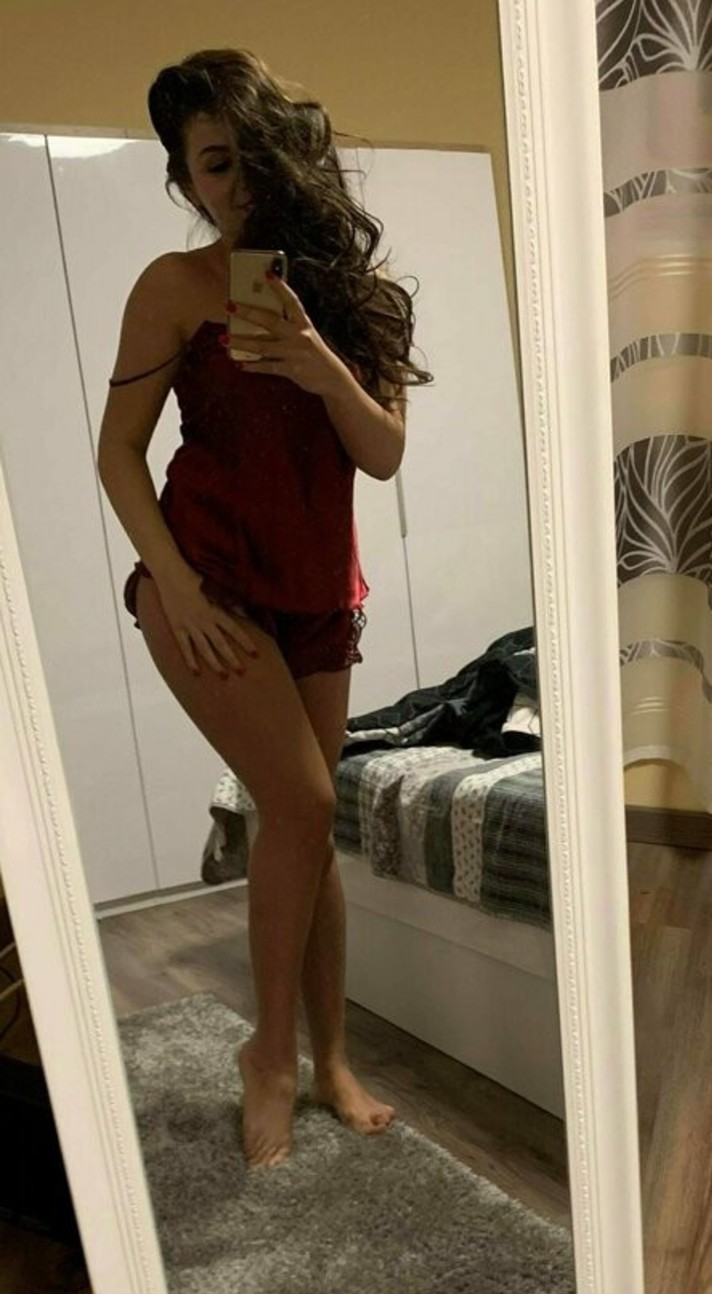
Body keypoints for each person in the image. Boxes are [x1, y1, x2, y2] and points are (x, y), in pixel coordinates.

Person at [97, 49, 432, 1168]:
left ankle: (331, 1059)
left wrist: (317, 361)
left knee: (305, 824)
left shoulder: (357, 296)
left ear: (288, 153)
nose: (233, 185)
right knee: (303, 801)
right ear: (184, 179)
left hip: (319, 593)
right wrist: (173, 586)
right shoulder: (173, 287)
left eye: (248, 157)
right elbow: (118, 454)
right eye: (210, 165)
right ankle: (270, 1057)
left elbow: (382, 453)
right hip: (208, 582)